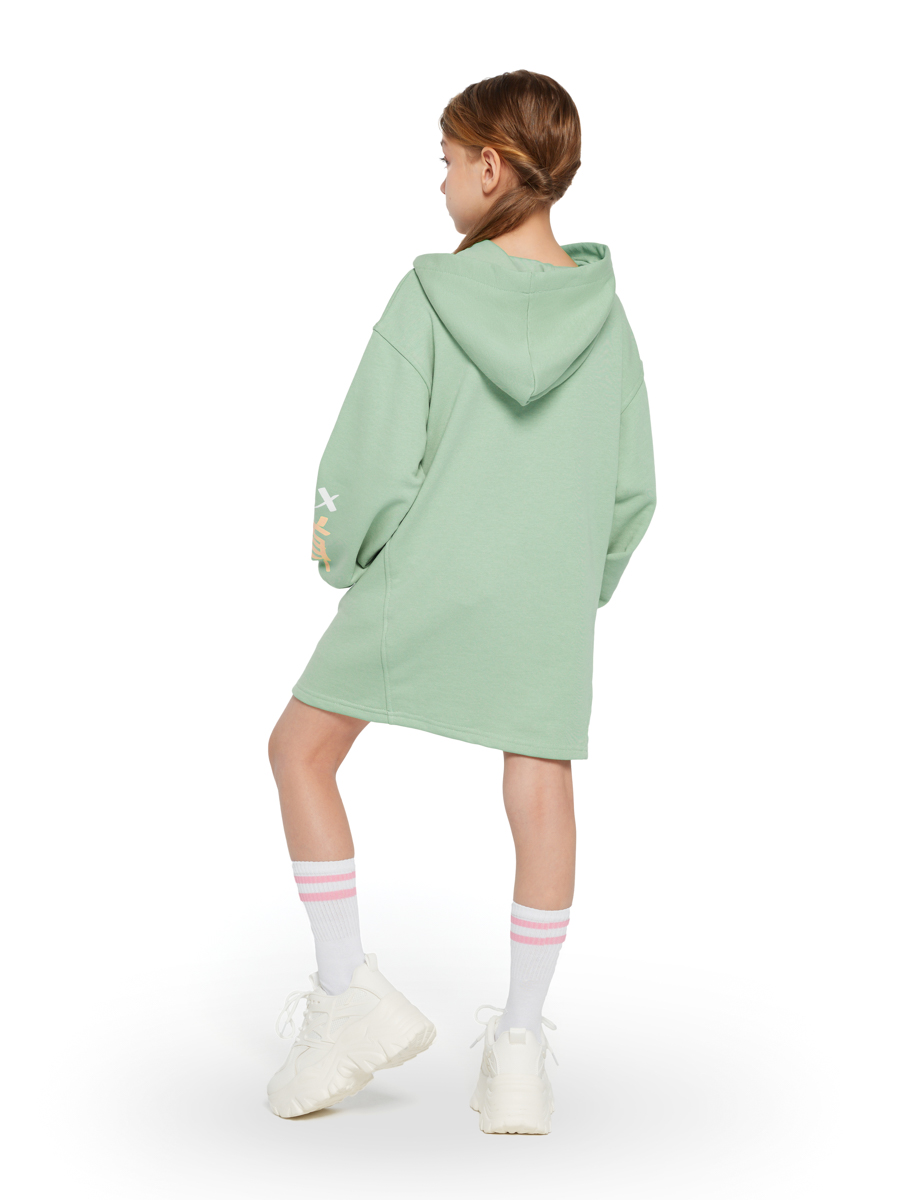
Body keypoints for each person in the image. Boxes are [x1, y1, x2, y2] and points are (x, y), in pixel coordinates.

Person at [266, 69, 657, 1135]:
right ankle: (520, 1047)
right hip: (544, 601)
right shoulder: (608, 320)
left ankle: (346, 993)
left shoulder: (431, 295)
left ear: (491, 166)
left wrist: (344, 557)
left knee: (300, 749)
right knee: (541, 782)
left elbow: (372, 456)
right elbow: (633, 489)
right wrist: (576, 589)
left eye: (446, 162)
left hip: (425, 581)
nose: (439, 184)